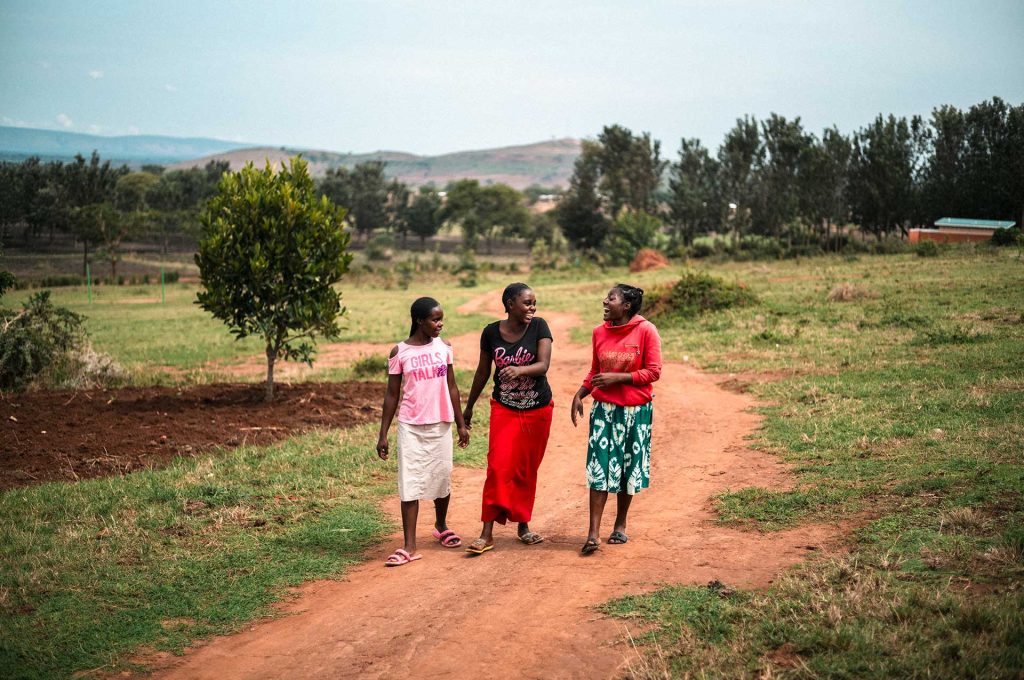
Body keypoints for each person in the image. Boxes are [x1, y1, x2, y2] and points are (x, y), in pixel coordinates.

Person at [376, 297, 470, 567]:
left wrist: (461, 424)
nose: (440, 324)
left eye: (441, 319)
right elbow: (392, 395)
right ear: (419, 321)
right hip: (410, 425)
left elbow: (451, 386)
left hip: (441, 423)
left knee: (442, 477)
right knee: (410, 482)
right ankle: (409, 545)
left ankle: (441, 525)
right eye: (435, 319)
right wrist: (383, 433)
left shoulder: (445, 348)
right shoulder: (400, 352)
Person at [462, 283, 554, 554]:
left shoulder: (539, 326)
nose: (532, 307)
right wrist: (468, 408)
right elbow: (482, 372)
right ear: (510, 303)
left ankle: (523, 525)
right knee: (498, 467)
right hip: (504, 408)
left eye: (534, 302)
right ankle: (486, 533)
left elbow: (543, 365)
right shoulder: (491, 332)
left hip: (537, 409)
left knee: (525, 468)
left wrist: (519, 370)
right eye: (527, 302)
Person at [571, 283, 661, 555]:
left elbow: (654, 372)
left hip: (636, 412)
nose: (605, 302)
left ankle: (620, 525)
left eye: (611, 298)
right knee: (598, 468)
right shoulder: (599, 332)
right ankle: (593, 533)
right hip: (604, 411)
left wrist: (619, 378)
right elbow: (595, 371)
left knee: (626, 468)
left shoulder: (646, 330)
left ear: (626, 306)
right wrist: (581, 393)